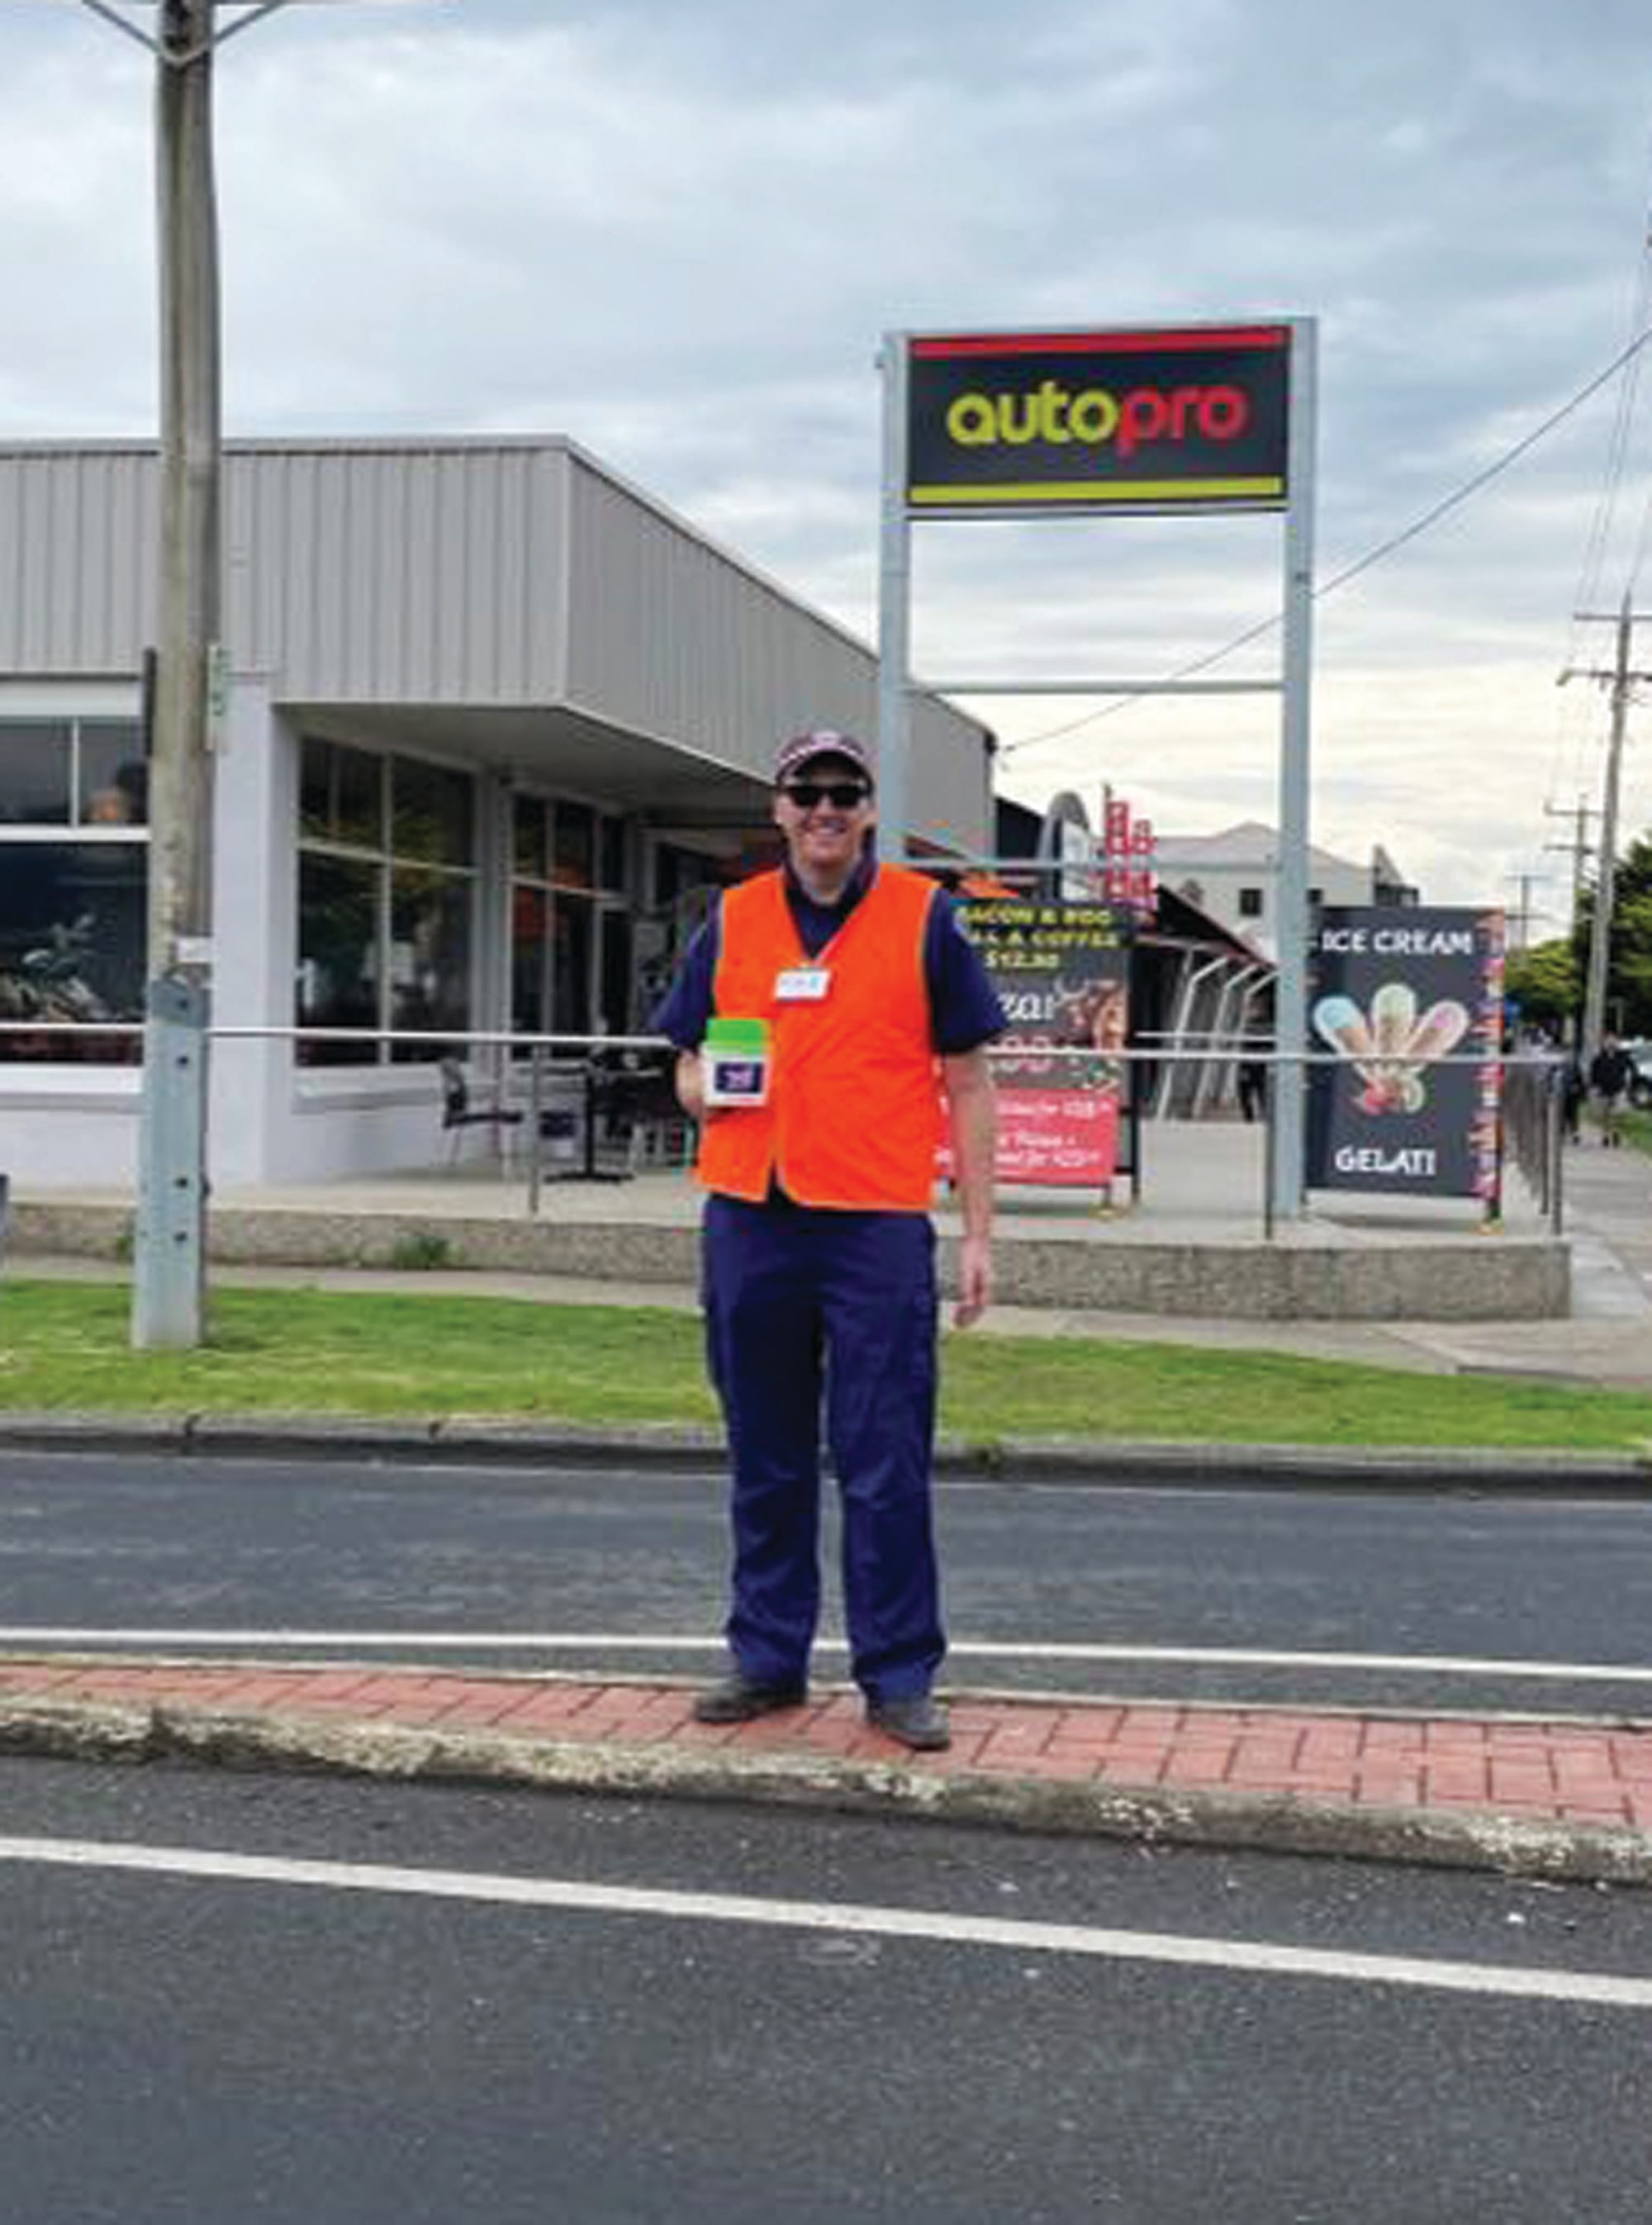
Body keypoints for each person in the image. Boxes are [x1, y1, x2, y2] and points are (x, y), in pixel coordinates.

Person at [653, 728, 1004, 1752]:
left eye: (843, 792)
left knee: (882, 1455)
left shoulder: (925, 917)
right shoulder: (733, 917)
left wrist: (979, 1233)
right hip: (750, 1214)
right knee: (764, 1453)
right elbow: (684, 1057)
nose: (823, 809)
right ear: (777, 808)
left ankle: (897, 1673)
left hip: (873, 1224)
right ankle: (766, 1655)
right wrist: (702, 1089)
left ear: (867, 810)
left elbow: (969, 1082)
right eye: (805, 791)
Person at [1589, 1031, 1635, 1148]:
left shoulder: (1623, 1057)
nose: (1611, 1042)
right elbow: (1593, 1074)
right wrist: (1594, 1087)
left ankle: (1616, 1132)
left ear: (1617, 1042)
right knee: (1605, 1114)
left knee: (1618, 1113)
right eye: (1608, 1040)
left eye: (1613, 1040)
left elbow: (1631, 1069)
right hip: (1603, 1090)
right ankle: (1605, 1135)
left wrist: (1629, 1083)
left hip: (1619, 1089)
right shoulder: (1599, 1058)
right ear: (1604, 1042)